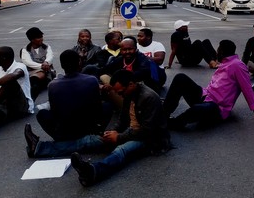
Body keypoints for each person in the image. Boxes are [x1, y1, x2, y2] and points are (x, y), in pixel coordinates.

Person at [24, 69, 171, 186]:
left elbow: (147, 131)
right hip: (132, 132)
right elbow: (123, 119)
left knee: (121, 150)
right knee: (89, 140)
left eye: (121, 92)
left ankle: (93, 172)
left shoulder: (149, 97)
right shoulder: (129, 94)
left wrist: (119, 137)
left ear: (132, 84)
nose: (119, 95)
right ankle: (39, 148)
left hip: (152, 139)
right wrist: (112, 132)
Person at [163, 40, 254, 130]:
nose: (216, 52)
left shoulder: (237, 66)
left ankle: (173, 123)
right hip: (205, 96)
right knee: (180, 78)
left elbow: (247, 89)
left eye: (218, 50)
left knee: (198, 109)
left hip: (217, 108)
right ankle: (163, 115)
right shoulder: (224, 63)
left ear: (222, 52)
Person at [36, 50, 110, 141]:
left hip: (65, 130)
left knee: (41, 113)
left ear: (62, 65)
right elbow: (98, 106)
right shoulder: (92, 80)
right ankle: (95, 132)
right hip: (89, 128)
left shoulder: (53, 85)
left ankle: (61, 138)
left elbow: (55, 111)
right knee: (107, 105)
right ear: (79, 63)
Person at [20, 27, 56, 101]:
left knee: (38, 79)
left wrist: (46, 63)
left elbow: (50, 57)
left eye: (41, 36)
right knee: (35, 81)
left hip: (47, 70)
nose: (41, 39)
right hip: (33, 72)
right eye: (38, 37)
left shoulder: (46, 46)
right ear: (32, 40)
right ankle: (30, 100)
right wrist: (42, 66)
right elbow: (28, 62)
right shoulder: (25, 49)